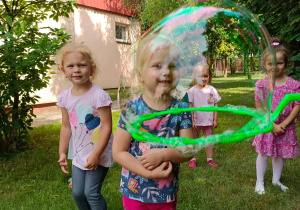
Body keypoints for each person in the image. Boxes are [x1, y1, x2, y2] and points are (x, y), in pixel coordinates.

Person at [112, 34, 194, 209]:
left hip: (165, 194)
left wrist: (165, 154)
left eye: (172, 66)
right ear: (141, 74)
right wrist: (146, 173)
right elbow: (118, 151)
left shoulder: (181, 110)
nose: (165, 71)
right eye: (157, 65)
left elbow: (188, 150)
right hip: (133, 191)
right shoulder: (133, 109)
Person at [56, 43, 114, 209]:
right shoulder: (65, 97)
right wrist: (62, 151)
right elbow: (66, 127)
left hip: (98, 151)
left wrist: (96, 154)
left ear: (91, 69)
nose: (76, 70)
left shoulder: (98, 96)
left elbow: (107, 127)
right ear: (63, 70)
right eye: (71, 66)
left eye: (82, 65)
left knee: (91, 193)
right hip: (79, 152)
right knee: (77, 193)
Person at [253, 38, 300, 194]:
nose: (275, 67)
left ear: (286, 64)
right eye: (270, 63)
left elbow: (296, 105)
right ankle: (259, 182)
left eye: (279, 63)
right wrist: (271, 125)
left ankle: (276, 180)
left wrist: (283, 125)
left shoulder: (293, 85)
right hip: (267, 126)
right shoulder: (261, 85)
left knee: (280, 153)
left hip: (285, 127)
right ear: (265, 64)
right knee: (264, 153)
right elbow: (259, 106)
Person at [187, 63, 221, 168]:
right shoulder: (192, 91)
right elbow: (190, 108)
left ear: (209, 76)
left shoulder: (212, 90)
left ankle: (209, 159)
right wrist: (192, 121)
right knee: (194, 141)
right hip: (196, 122)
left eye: (205, 76)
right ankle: (192, 159)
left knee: (209, 141)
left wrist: (215, 119)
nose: (203, 78)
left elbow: (216, 105)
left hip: (208, 121)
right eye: (200, 76)